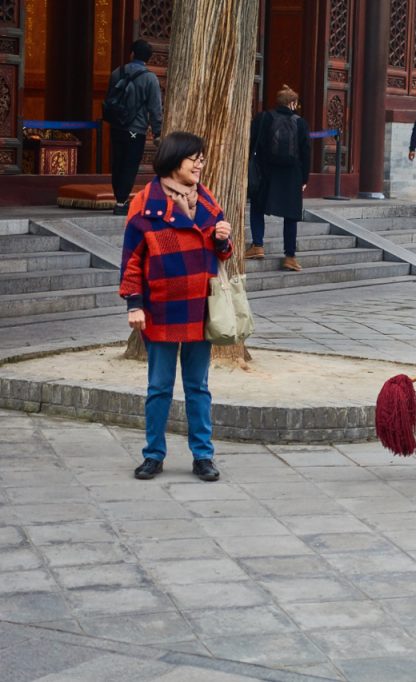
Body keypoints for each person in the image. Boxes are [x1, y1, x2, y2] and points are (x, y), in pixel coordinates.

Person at [119, 132, 233, 482]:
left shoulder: (209, 200)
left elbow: (222, 254)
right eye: (193, 158)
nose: (200, 164)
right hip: (162, 308)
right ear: (174, 159)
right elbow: (131, 260)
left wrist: (223, 241)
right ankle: (153, 454)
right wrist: (134, 304)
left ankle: (203, 455)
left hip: (200, 309)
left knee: (198, 387)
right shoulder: (144, 203)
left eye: (201, 158)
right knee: (159, 386)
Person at [245, 85, 311, 272]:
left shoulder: (264, 118)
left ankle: (258, 245)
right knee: (291, 216)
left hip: (266, 172)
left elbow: (251, 142)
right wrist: (304, 178)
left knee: (257, 206)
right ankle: (290, 256)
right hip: (292, 174)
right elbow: (306, 153)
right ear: (292, 103)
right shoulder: (301, 123)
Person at [107, 39, 163, 216]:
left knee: (117, 163)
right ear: (148, 58)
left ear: (132, 54)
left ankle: (119, 197)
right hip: (136, 129)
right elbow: (155, 108)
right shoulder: (150, 78)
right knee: (130, 165)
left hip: (116, 126)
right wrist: (157, 131)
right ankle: (121, 202)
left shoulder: (117, 72)